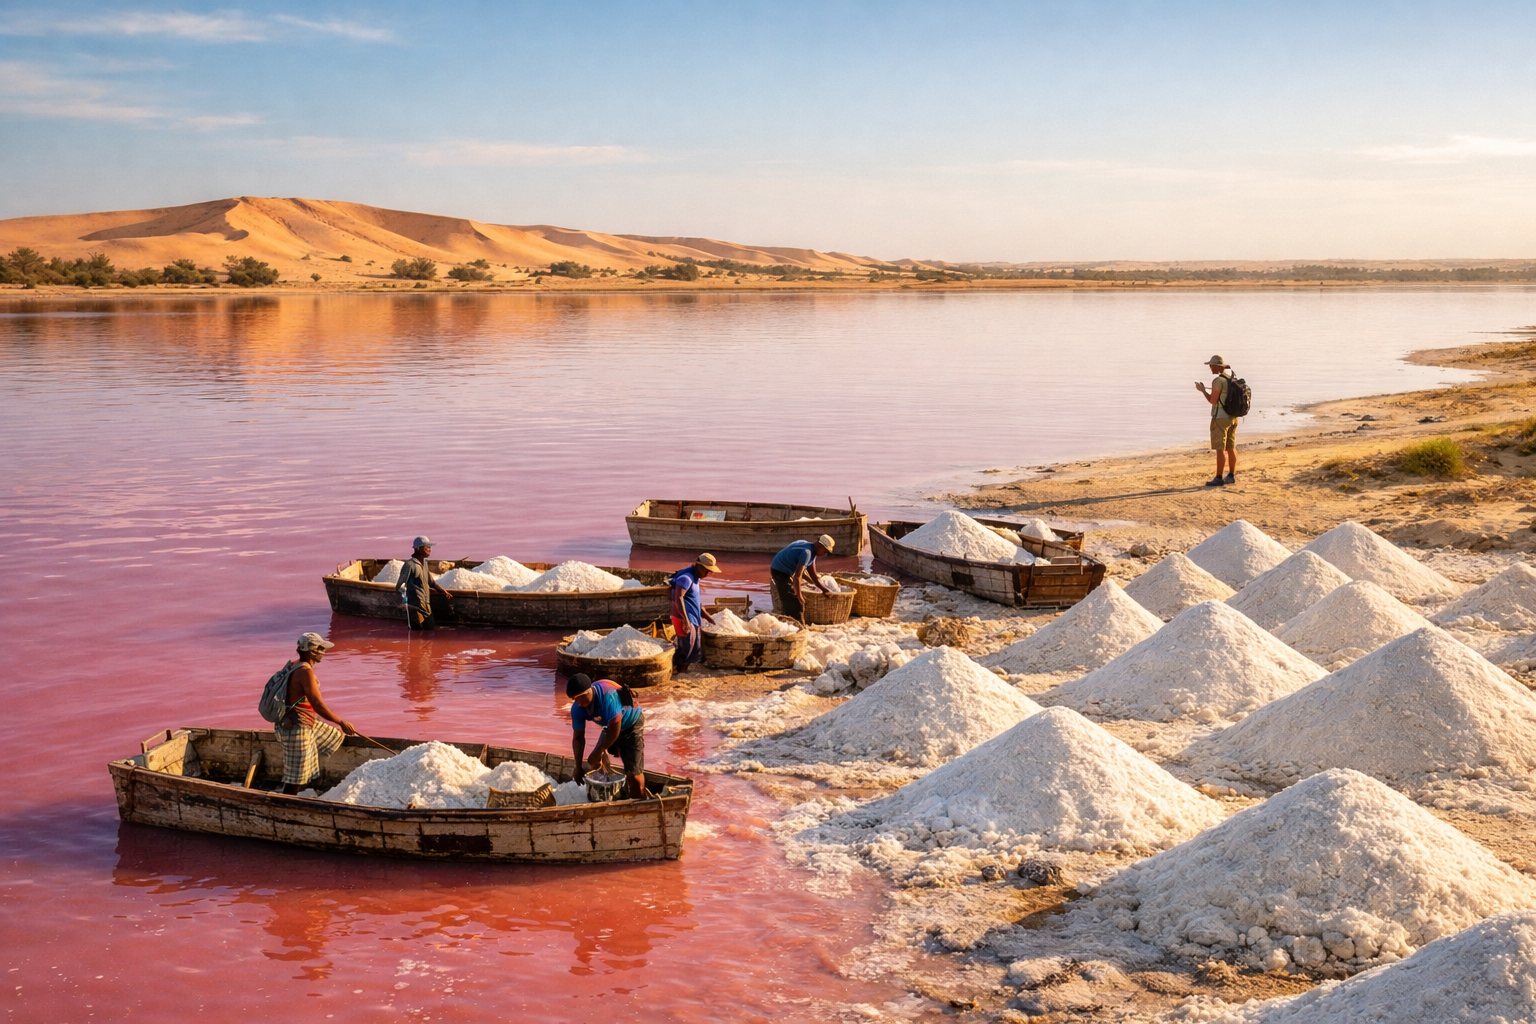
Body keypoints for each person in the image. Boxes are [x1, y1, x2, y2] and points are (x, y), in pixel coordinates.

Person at [274, 632, 358, 794]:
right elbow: (318, 704)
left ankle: (310, 783)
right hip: (295, 728)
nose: (323, 651)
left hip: (304, 722)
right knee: (294, 778)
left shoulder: (294, 664)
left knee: (334, 737)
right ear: (312, 650)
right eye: (320, 648)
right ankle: (287, 802)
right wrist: (341, 722)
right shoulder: (305, 672)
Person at [567, 673, 647, 800]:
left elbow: (615, 730)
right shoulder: (577, 708)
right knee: (594, 762)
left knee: (634, 775)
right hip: (609, 726)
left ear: (588, 692)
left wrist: (599, 750)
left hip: (631, 723)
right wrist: (578, 767)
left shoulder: (608, 696)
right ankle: (608, 794)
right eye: (574, 699)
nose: (578, 703)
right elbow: (578, 738)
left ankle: (641, 802)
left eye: (579, 698)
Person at [668, 553, 722, 673]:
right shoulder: (686, 578)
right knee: (685, 650)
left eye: (710, 572)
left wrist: (710, 619)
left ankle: (682, 672)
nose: (708, 574)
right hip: (684, 619)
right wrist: (686, 620)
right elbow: (679, 598)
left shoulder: (696, 579)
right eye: (707, 571)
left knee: (694, 650)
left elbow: (696, 603)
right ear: (699, 566)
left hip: (693, 619)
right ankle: (676, 672)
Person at [1195, 355, 1239, 487]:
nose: (1210, 368)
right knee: (1231, 447)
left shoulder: (1217, 381)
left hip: (1220, 418)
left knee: (1220, 449)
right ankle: (1231, 475)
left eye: (1211, 366)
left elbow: (1212, 401)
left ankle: (1219, 477)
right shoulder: (1231, 378)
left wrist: (1202, 390)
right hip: (1233, 417)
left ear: (1216, 366)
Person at [769, 534, 835, 621]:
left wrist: (824, 589)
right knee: (793, 601)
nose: (824, 554)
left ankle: (793, 620)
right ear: (821, 546)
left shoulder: (812, 552)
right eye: (825, 551)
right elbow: (797, 577)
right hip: (779, 570)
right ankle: (794, 623)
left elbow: (814, 576)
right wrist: (799, 595)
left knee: (794, 597)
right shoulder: (807, 552)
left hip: (786, 569)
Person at [396, 535, 452, 630]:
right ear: (418, 549)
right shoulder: (410, 565)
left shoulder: (425, 563)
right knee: (417, 634)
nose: (430, 549)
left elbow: (431, 582)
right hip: (415, 607)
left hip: (426, 604)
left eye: (430, 547)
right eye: (427, 547)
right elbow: (399, 586)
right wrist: (405, 602)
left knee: (430, 631)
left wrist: (443, 591)